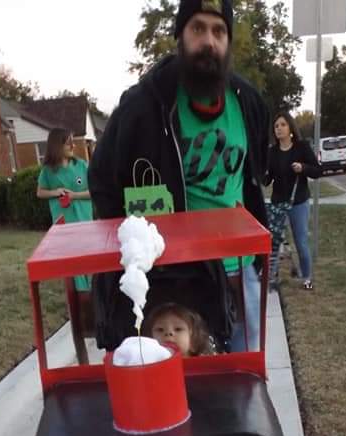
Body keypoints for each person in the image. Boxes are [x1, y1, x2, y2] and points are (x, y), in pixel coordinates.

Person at [88, 0, 269, 352]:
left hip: (240, 270)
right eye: (197, 28)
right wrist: (132, 254)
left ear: (228, 42)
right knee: (175, 387)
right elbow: (102, 181)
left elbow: (253, 175)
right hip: (176, 279)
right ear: (181, 35)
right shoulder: (144, 105)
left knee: (242, 384)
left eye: (219, 31)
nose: (209, 41)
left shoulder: (248, 102)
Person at [37, 127, 93, 362]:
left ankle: (92, 306)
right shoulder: (48, 170)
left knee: (91, 266)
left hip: (85, 224)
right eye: (68, 142)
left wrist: (75, 195)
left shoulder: (82, 166)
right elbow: (40, 192)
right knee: (73, 271)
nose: (72, 146)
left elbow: (93, 192)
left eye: (73, 142)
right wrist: (56, 192)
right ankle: (80, 309)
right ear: (57, 145)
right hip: (64, 229)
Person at [265, 111, 322, 291]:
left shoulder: (301, 147)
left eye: (282, 125)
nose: (279, 128)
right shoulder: (272, 152)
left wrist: (303, 167)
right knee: (273, 243)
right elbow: (267, 179)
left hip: (298, 201)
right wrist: (259, 172)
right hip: (278, 203)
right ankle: (271, 279)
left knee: (301, 242)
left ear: (290, 128)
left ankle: (307, 278)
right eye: (276, 126)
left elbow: (317, 171)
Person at [143, 301, 215, 357]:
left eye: (178, 329)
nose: (168, 333)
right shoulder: (144, 367)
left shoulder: (204, 366)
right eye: (160, 329)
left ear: (193, 341)